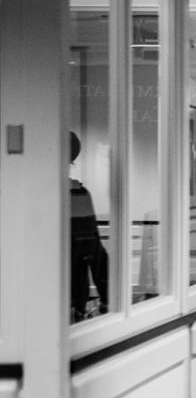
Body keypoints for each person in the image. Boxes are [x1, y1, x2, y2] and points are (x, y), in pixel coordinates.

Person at [69, 131, 109, 323]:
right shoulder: (80, 194)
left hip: (63, 296)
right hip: (74, 297)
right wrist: (107, 297)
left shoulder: (77, 195)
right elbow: (94, 249)